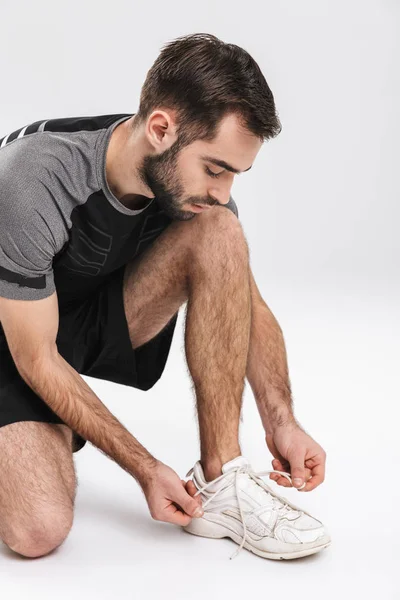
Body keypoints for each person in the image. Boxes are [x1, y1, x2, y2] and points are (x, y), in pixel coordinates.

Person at [0, 32, 330, 561]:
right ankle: (37, 423)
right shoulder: (35, 175)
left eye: (235, 174)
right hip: (15, 338)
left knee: (221, 233)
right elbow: (34, 355)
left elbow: (246, 302)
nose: (223, 192)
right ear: (160, 128)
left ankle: (223, 481)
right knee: (39, 531)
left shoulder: (196, 197)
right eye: (215, 168)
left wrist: (283, 422)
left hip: (76, 322)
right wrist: (145, 466)